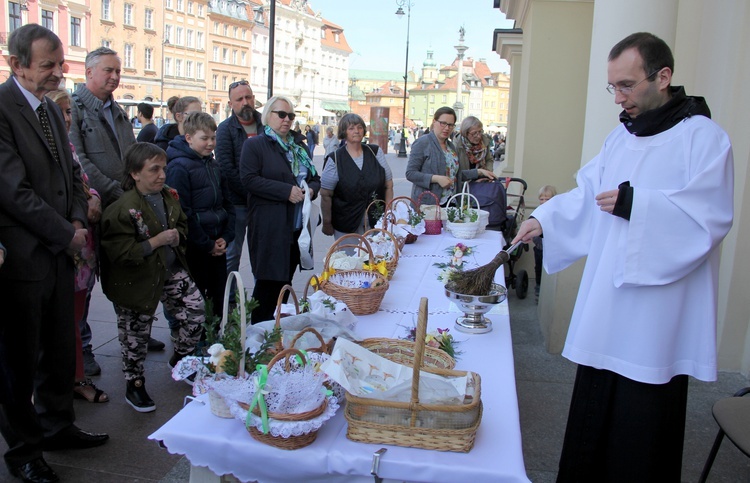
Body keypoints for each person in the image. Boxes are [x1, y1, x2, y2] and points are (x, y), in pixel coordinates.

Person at [512, 32, 734, 481]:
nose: (619, 98)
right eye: (612, 87)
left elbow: (710, 216)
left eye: (627, 85)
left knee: (642, 428)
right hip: (609, 303)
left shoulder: (704, 138)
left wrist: (639, 206)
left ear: (663, 76)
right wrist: (547, 220)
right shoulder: (621, 137)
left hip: (657, 315)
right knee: (594, 411)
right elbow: (593, 194)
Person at [0, 24, 109, 482]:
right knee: (17, 363)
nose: (57, 73)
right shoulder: (3, 109)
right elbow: (13, 191)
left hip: (61, 252)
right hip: (25, 257)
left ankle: (57, 424)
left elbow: (69, 174)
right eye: (47, 65)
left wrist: (79, 220)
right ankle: (24, 452)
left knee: (60, 350)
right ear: (17, 65)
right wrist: (66, 232)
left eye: (60, 63)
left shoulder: (46, 108)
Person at [69, 46, 166, 372]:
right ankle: (83, 350)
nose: (114, 77)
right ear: (89, 72)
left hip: (124, 207)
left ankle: (137, 331)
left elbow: (133, 156)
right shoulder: (76, 107)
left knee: (128, 271)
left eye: (118, 71)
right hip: (95, 206)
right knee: (85, 282)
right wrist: (112, 191)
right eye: (108, 70)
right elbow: (79, 161)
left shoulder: (118, 109)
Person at [100, 143, 205, 413]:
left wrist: (177, 235)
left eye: (164, 169)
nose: (161, 175)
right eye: (154, 169)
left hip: (169, 271)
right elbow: (120, 253)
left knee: (195, 310)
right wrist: (156, 241)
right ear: (135, 173)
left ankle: (181, 357)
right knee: (135, 335)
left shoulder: (168, 196)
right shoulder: (122, 209)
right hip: (138, 281)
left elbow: (181, 222)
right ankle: (134, 385)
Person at [48, 89, 110, 404]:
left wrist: (94, 196)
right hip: (60, 247)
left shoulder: (68, 146)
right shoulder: (42, 148)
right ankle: (67, 381)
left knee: (75, 317)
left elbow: (83, 183)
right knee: (60, 324)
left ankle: (74, 378)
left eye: (69, 112)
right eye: (60, 111)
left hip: (81, 249)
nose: (67, 118)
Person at [240, 96, 320, 324]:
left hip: (296, 228)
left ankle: (277, 332)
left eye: (291, 116)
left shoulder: (299, 148)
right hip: (270, 227)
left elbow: (315, 178)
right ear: (268, 115)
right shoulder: (255, 145)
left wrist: (311, 190)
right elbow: (249, 179)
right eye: (281, 114)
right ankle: (256, 334)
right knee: (267, 284)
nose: (287, 120)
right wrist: (286, 191)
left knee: (285, 282)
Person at [166, 112, 235, 319]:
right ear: (189, 138)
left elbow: (227, 203)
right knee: (197, 300)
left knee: (218, 296)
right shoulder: (179, 167)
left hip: (217, 242)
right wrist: (207, 244)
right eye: (204, 138)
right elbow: (183, 213)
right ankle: (198, 342)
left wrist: (226, 236)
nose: (210, 143)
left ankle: (216, 336)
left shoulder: (213, 165)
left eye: (213, 138)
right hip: (196, 247)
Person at [215, 80, 263, 302]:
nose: (246, 102)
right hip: (237, 203)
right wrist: (254, 192)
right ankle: (229, 301)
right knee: (232, 255)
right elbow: (227, 168)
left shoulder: (265, 125)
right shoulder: (225, 129)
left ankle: (259, 300)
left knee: (261, 253)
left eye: (249, 97)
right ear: (230, 104)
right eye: (240, 99)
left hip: (263, 203)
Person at [320, 113, 394, 238]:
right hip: (346, 224)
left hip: (376, 222)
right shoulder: (335, 159)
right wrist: (327, 222)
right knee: (349, 257)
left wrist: (388, 212)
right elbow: (326, 194)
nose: (357, 131)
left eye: (360, 127)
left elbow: (389, 185)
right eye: (351, 128)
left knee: (377, 256)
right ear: (344, 132)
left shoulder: (375, 152)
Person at [406, 107, 495, 207]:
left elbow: (456, 175)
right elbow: (410, 173)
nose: (447, 128)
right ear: (434, 122)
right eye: (443, 123)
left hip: (450, 203)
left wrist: (479, 172)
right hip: (428, 205)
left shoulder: (451, 146)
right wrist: (436, 178)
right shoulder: (423, 143)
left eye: (450, 125)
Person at [455, 116, 495, 192]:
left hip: (482, 183)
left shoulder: (484, 142)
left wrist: (487, 174)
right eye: (474, 133)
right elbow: (456, 171)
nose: (478, 136)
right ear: (465, 133)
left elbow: (489, 160)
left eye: (480, 131)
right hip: (464, 186)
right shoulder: (457, 145)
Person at [531, 184, 556, 302]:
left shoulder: (556, 213)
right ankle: (538, 286)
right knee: (538, 267)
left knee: (549, 268)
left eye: (548, 199)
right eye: (542, 199)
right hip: (539, 247)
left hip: (551, 248)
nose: (544, 201)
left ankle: (547, 290)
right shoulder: (537, 212)